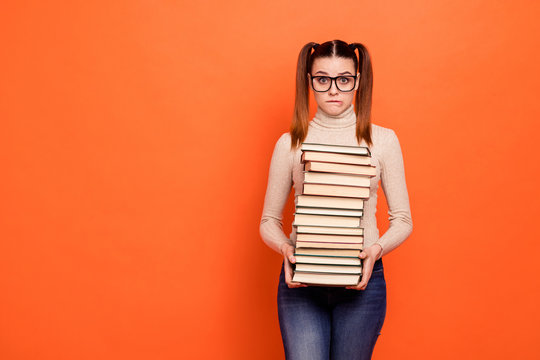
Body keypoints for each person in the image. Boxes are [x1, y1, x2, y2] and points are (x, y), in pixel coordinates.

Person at [259, 39, 413, 360]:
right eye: (322, 79)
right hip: (301, 283)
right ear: (309, 82)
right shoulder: (290, 144)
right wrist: (287, 249)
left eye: (344, 79)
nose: (333, 89)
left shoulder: (383, 140)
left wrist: (375, 251)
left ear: (358, 81)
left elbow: (403, 220)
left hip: (363, 279)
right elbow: (269, 222)